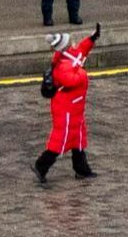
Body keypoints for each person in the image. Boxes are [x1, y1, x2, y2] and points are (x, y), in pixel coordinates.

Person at [33, 28, 98, 182]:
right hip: (66, 108)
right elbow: (73, 80)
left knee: (78, 138)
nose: (72, 43)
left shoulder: (68, 56)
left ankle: (82, 169)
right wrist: (82, 72)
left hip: (74, 108)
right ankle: (41, 166)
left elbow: (81, 50)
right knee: (61, 139)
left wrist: (92, 39)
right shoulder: (62, 66)